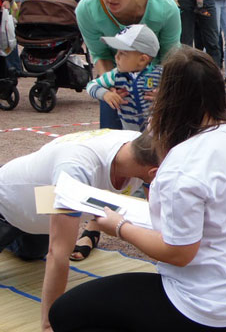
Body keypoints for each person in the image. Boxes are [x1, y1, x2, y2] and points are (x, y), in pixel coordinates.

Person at [49, 47, 226, 331]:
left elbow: (180, 253)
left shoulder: (183, 164)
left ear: (169, 97)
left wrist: (119, 227)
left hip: (203, 305)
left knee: (64, 312)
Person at [0, 130, 159, 331]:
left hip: (37, 214)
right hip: (6, 206)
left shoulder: (138, 146)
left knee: (32, 253)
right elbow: (58, 254)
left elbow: (157, 220)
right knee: (51, 248)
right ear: (155, 171)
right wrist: (49, 324)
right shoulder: (76, 169)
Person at [76, 0, 181, 131]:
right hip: (118, 82)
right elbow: (100, 54)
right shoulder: (87, 10)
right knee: (112, 145)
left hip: (155, 86)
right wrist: (112, 88)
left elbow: (171, 58)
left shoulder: (165, 8)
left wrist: (165, 91)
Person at [86, 24, 161, 132]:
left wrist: (164, 94)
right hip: (129, 134)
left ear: (142, 60)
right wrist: (105, 94)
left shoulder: (160, 74)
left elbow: (180, 90)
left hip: (157, 133)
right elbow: (91, 85)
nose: (116, 57)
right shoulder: (115, 75)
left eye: (122, 53)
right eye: (117, 52)